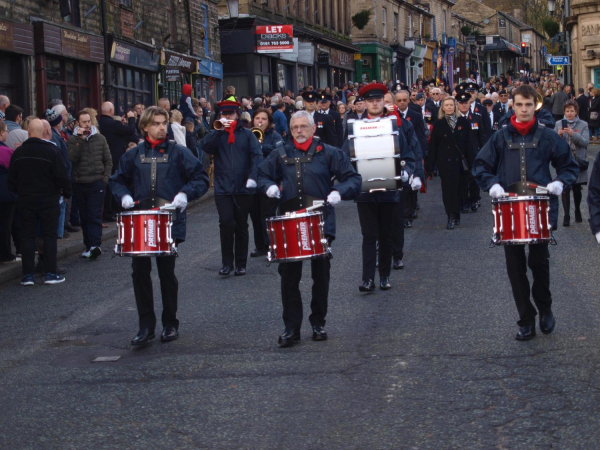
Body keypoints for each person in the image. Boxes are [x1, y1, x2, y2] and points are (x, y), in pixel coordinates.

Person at [473, 84, 578, 341]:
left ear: (535, 106)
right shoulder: (500, 136)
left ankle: (545, 308)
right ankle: (525, 318)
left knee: (539, 263)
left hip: (539, 207)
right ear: (512, 105)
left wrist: (560, 183)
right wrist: (492, 184)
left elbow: (569, 165)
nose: (523, 109)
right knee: (515, 267)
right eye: (519, 105)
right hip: (509, 208)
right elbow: (481, 165)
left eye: (528, 105)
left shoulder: (547, 135)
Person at [258, 110, 361, 348]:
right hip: (289, 221)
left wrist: (339, 192)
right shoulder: (279, 153)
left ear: (313, 128)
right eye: (295, 128)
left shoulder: (330, 153)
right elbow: (261, 174)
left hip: (320, 220)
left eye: (304, 126)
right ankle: (291, 328)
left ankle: (318, 322)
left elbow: (353, 179)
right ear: (290, 130)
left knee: (320, 274)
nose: (299, 131)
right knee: (289, 277)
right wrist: (269, 187)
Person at [110, 106, 209, 346]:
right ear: (144, 127)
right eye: (155, 123)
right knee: (140, 274)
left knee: (167, 274)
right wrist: (122, 195)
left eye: (164, 122)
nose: (162, 127)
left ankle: (170, 323)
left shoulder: (178, 152)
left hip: (168, 220)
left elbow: (201, 178)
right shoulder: (132, 155)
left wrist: (186, 193)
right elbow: (117, 180)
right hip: (140, 221)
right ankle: (145, 326)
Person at [342, 83, 414, 291]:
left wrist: (407, 171)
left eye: (378, 100)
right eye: (371, 101)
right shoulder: (355, 127)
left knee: (386, 234)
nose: (374, 104)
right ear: (364, 103)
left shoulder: (394, 126)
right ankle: (367, 279)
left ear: (384, 102)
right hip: (364, 189)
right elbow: (343, 156)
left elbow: (408, 155)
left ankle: (384, 275)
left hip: (389, 187)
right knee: (368, 235)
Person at [200, 99, 262, 276]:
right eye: (224, 114)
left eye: (230, 114)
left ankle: (241, 263)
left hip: (244, 187)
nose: (227, 117)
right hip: (223, 187)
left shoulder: (248, 134)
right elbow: (205, 146)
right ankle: (227, 263)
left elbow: (256, 156)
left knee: (241, 225)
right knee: (226, 223)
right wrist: (218, 131)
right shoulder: (218, 133)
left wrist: (252, 178)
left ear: (237, 115)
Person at [7, 119, 71, 285]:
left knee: (27, 237)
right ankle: (50, 272)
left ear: (28, 131)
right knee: (49, 236)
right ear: (43, 131)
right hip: (48, 200)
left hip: (26, 200)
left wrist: (19, 192)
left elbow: (11, 180)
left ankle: (28, 274)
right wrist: (65, 193)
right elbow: (62, 176)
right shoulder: (52, 151)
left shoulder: (18, 153)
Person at [67, 110, 112, 259]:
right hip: (80, 182)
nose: (87, 124)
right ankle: (88, 245)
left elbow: (108, 160)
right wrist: (80, 140)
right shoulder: (73, 140)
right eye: (84, 122)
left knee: (94, 215)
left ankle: (95, 245)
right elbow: (72, 158)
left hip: (96, 183)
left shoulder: (100, 138)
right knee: (84, 216)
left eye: (88, 121)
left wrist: (105, 178)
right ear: (78, 123)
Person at [426, 96, 468, 229]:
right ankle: (450, 215)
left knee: (459, 188)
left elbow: (469, 144)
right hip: (445, 161)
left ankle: (457, 213)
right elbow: (433, 146)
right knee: (447, 189)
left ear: (455, 106)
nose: (449, 107)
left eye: (451, 105)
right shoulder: (438, 124)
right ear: (443, 108)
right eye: (447, 105)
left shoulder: (463, 122)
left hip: (460, 161)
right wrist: (430, 166)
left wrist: (474, 163)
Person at [248, 108, 283, 258]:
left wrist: (260, 146)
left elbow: (280, 150)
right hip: (252, 180)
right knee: (255, 216)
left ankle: (273, 246)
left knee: (268, 215)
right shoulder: (248, 135)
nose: (260, 121)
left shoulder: (275, 136)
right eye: (257, 118)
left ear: (269, 122)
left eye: (263, 119)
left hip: (269, 180)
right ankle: (260, 246)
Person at [98, 102, 137, 223]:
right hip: (114, 158)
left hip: (103, 157)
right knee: (113, 185)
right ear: (111, 111)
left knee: (108, 186)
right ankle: (110, 212)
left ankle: (109, 211)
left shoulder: (100, 123)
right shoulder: (113, 123)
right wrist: (131, 118)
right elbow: (130, 131)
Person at [554, 100, 589, 226]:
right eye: (567, 111)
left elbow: (585, 143)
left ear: (576, 112)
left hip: (577, 160)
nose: (569, 113)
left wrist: (573, 134)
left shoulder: (583, 124)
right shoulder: (558, 124)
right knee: (565, 188)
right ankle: (566, 215)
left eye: (572, 111)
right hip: (563, 161)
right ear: (564, 112)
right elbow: (553, 144)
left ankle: (578, 210)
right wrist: (558, 134)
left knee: (576, 187)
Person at [0, 121, 19, 263]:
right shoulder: (7, 151)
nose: (7, 133)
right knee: (5, 225)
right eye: (6, 130)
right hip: (5, 194)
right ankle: (6, 254)